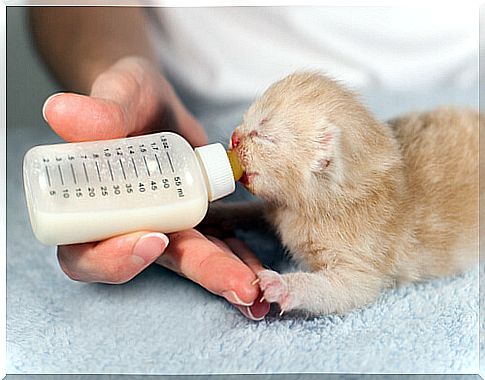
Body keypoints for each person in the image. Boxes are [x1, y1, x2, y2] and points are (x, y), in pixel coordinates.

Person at [29, 6, 476, 321]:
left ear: (322, 159)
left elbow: (355, 284)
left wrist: (295, 287)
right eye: (251, 119)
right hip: (179, 90)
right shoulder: (307, 187)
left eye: (263, 136)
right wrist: (231, 216)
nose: (239, 137)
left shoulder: (360, 222)